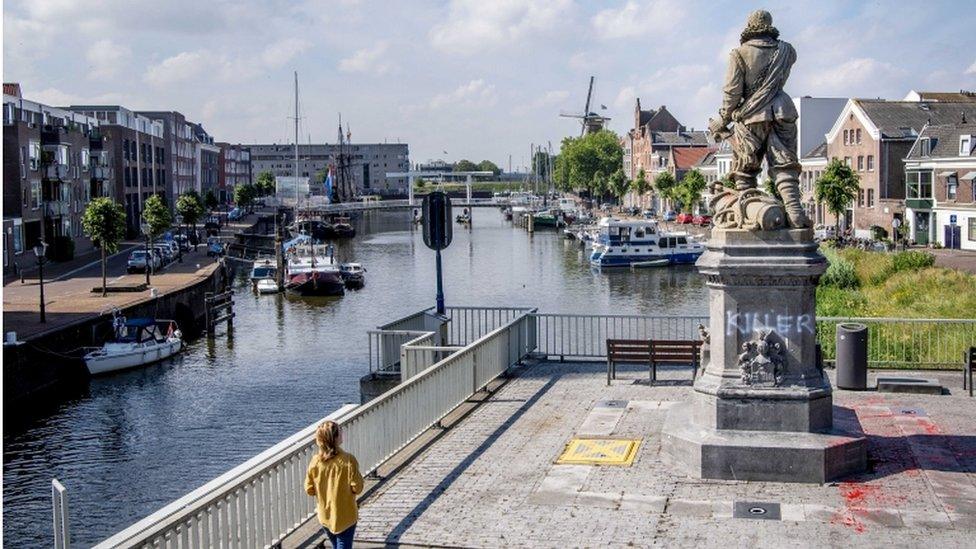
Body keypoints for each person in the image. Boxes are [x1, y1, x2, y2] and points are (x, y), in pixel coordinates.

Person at [708, 10, 810, 228]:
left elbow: (732, 93)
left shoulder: (739, 54)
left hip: (751, 116)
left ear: (749, 26)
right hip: (783, 110)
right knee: (785, 165)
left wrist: (722, 119)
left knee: (746, 169)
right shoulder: (787, 51)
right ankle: (795, 213)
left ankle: (748, 214)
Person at [305, 421, 364, 549]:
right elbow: (357, 488)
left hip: (325, 515)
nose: (342, 432)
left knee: (337, 545)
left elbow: (309, 489)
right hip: (346, 515)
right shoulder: (348, 460)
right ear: (335, 438)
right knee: (343, 544)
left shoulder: (315, 462)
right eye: (340, 430)